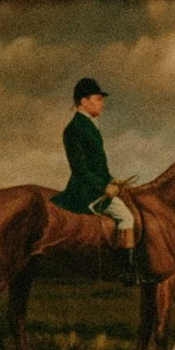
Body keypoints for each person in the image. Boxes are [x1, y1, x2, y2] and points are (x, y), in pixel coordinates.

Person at [55, 76, 136, 248]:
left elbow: (97, 165)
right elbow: (80, 170)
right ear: (84, 101)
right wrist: (104, 187)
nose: (102, 104)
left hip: (95, 187)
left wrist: (113, 180)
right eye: (98, 99)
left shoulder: (90, 125)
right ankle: (125, 271)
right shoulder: (74, 128)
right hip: (86, 192)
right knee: (127, 217)